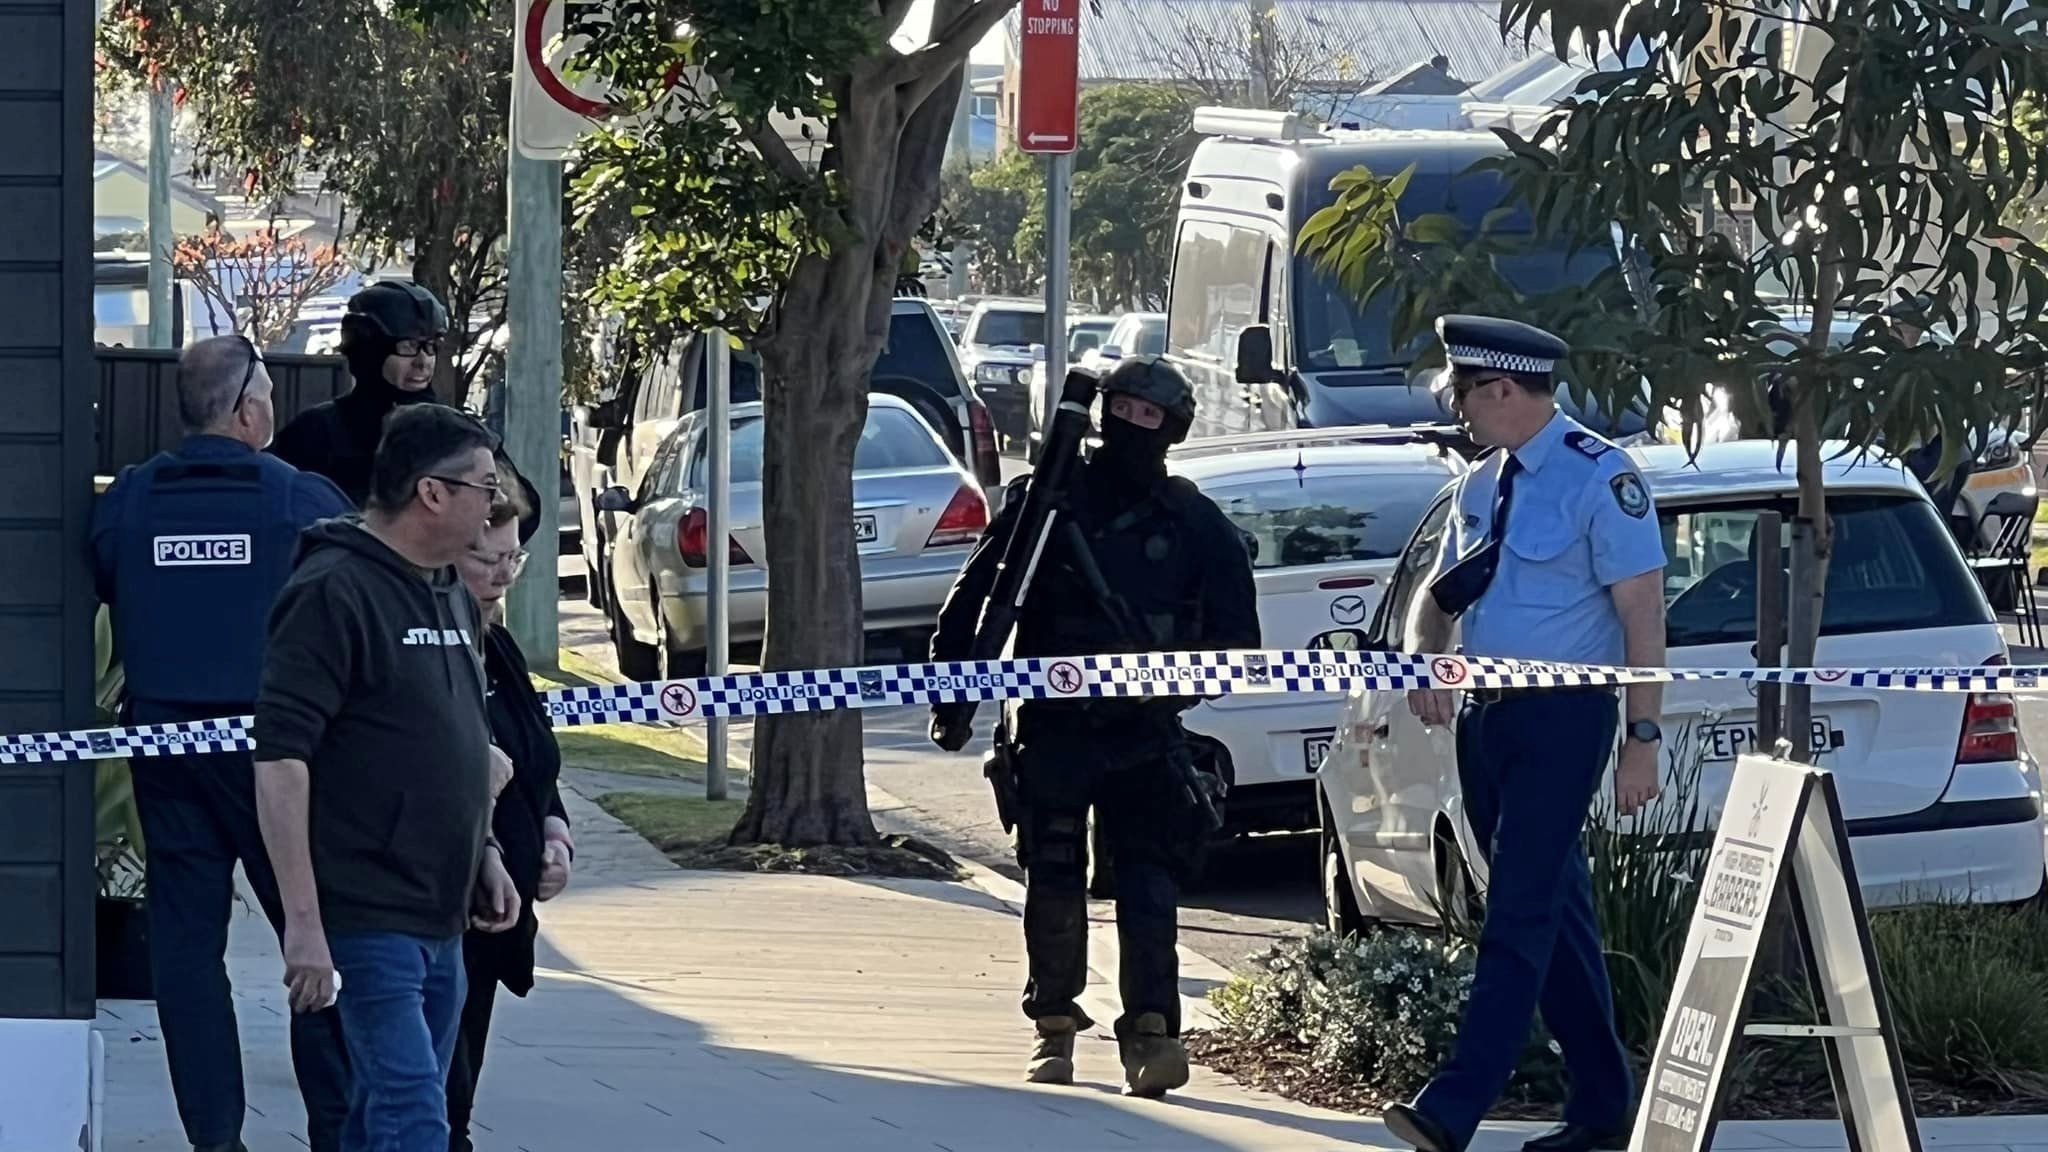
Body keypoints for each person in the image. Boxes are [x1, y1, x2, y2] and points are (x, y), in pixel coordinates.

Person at [927, 356, 1260, 1098]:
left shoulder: (1195, 522)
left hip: (1144, 733)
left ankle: (1151, 1032)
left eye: (1150, 417)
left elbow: (1237, 642)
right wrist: (951, 690)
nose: (1132, 427)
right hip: (1052, 726)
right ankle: (1053, 1027)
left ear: (1171, 429)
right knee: (1052, 876)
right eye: (1124, 411)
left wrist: (1171, 686)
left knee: (1148, 885)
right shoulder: (1047, 505)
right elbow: (977, 595)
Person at [1381, 316, 1668, 1152]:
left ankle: (1456, 1104)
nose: (1457, 407)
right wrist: (1425, 661)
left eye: (1464, 392)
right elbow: (1439, 594)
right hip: (1488, 719)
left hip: (1563, 719)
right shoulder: (1481, 482)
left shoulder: (1600, 478)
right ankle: (1603, 1106)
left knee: (1518, 909)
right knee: (1557, 909)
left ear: (1504, 390)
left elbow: (1643, 618)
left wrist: (1641, 737)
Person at [88, 334, 355, 1152]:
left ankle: (215, 1136)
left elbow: (104, 575)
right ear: (246, 408)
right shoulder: (301, 502)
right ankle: (336, 1127)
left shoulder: (130, 501)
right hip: (277, 759)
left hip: (166, 758)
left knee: (187, 953)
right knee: (313, 939)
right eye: (269, 392)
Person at [251, 403, 523, 1152]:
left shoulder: (447, 592)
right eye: (483, 486)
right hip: (367, 914)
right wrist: (303, 925)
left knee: (393, 1114)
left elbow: (463, 738)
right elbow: (280, 761)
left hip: (443, 912)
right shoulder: (333, 591)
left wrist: (487, 853)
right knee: (412, 1118)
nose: (492, 504)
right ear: (432, 493)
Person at [443, 452, 576, 1152]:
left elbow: (537, 758)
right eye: (486, 559)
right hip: (438, 900)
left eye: (514, 560)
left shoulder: (499, 648)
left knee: (457, 1093)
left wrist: (554, 832)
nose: (501, 576)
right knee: (428, 1095)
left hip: (498, 917)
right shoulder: (427, 647)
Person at [271, 280, 450, 506]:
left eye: (431, 346)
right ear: (370, 352)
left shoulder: (454, 433)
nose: (422, 362)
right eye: (408, 346)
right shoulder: (314, 434)